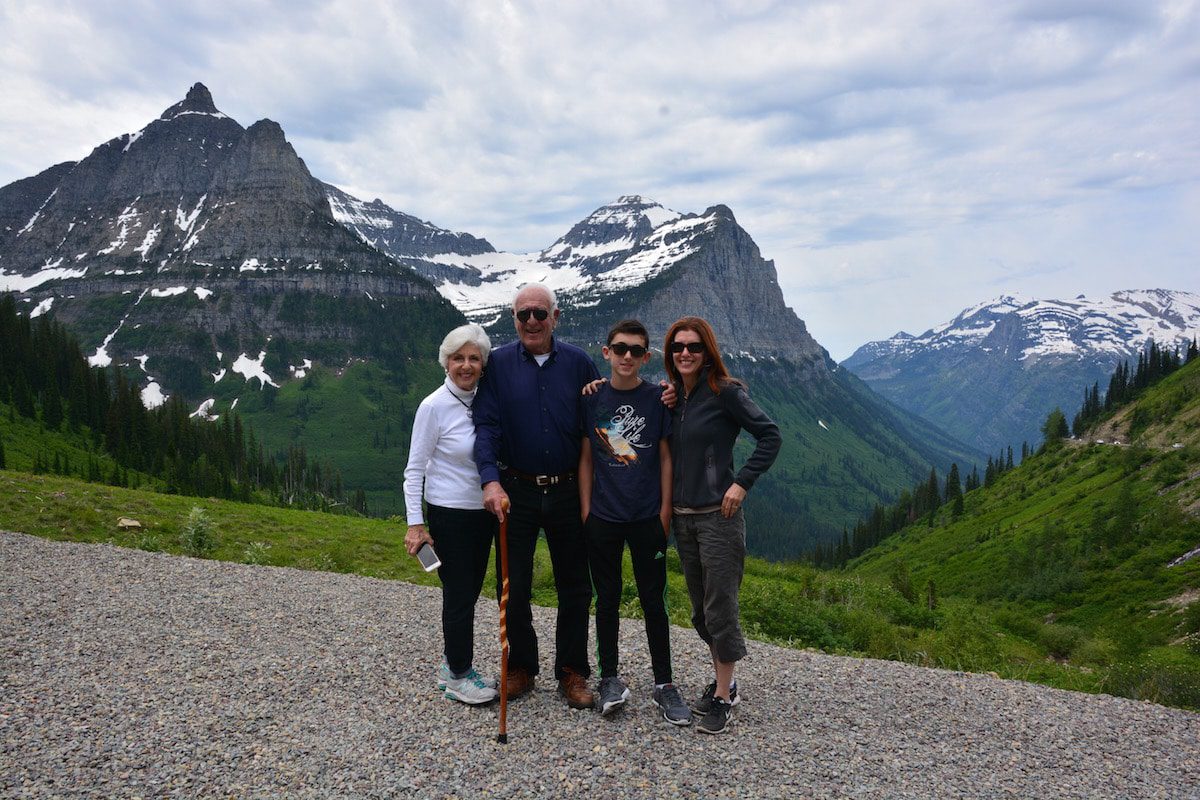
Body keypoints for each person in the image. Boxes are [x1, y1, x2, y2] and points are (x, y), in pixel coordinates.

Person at [472, 283, 600, 709]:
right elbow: (486, 428)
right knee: (513, 583)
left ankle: (572, 671)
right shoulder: (499, 364)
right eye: (523, 314)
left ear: (555, 317)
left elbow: (602, 420)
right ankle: (521, 667)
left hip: (567, 490)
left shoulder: (580, 363)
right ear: (513, 318)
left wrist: (662, 401)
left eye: (539, 314)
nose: (531, 321)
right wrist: (490, 481)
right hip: (516, 491)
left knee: (575, 586)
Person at [665, 316, 781, 734]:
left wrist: (741, 484)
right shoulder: (676, 396)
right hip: (683, 521)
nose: (685, 353)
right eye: (678, 346)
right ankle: (723, 683)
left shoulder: (726, 392)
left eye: (694, 347)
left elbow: (770, 435)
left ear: (708, 350)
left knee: (720, 608)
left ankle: (724, 694)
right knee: (700, 611)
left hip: (719, 518)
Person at [579, 319, 692, 725]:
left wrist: (663, 514)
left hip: (647, 517)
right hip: (604, 518)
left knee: (653, 601)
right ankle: (609, 677)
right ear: (606, 352)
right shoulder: (592, 399)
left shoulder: (658, 398)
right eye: (620, 348)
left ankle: (664, 683)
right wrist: (586, 513)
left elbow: (664, 457)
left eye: (636, 350)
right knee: (605, 599)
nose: (628, 356)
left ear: (646, 357)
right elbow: (587, 458)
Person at [402, 323, 498, 706]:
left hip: (482, 514)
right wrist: (415, 524)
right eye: (458, 358)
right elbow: (414, 469)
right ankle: (459, 674)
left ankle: (453, 664)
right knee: (458, 596)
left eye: (474, 358)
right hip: (450, 515)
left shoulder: (484, 399)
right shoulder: (433, 406)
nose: (466, 365)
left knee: (469, 593)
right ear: (446, 362)